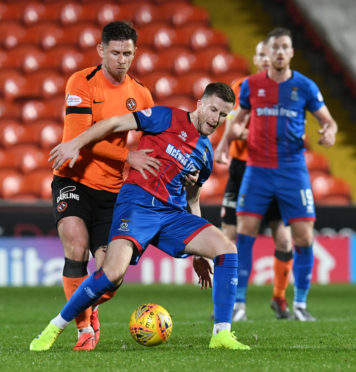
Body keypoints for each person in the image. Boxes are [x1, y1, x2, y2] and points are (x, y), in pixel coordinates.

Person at [30, 82, 251, 352]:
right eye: (214, 110)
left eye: (224, 115)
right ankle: (55, 326)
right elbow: (113, 124)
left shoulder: (204, 155)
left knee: (227, 249)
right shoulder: (165, 117)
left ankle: (221, 334)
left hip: (171, 215)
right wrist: (76, 142)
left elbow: (193, 197)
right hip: (138, 204)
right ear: (200, 104)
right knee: (112, 274)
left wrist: (198, 253)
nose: (216, 119)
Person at [215, 28, 337, 322]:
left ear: (291, 52)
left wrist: (329, 132)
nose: (280, 52)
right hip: (256, 170)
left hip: (292, 170)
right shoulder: (251, 86)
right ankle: (239, 303)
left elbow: (328, 120)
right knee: (244, 231)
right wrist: (223, 145)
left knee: (303, 235)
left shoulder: (305, 86)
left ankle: (300, 303)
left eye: (285, 47)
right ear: (266, 55)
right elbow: (238, 120)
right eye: (275, 48)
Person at [52, 21, 160, 351]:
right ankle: (83, 330)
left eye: (127, 53)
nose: (121, 60)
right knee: (75, 245)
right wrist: (129, 156)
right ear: (101, 51)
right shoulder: (81, 82)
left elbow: (150, 147)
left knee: (111, 276)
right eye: (114, 52)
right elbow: (79, 140)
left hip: (113, 191)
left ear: (135, 53)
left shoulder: (141, 94)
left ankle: (91, 305)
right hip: (73, 179)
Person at [216, 40, 293, 321]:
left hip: (271, 170)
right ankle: (231, 304)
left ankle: (280, 299)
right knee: (229, 238)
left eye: (268, 54)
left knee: (284, 239)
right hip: (241, 168)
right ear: (256, 57)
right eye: (260, 54)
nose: (264, 59)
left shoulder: (285, 89)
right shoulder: (241, 86)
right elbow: (232, 127)